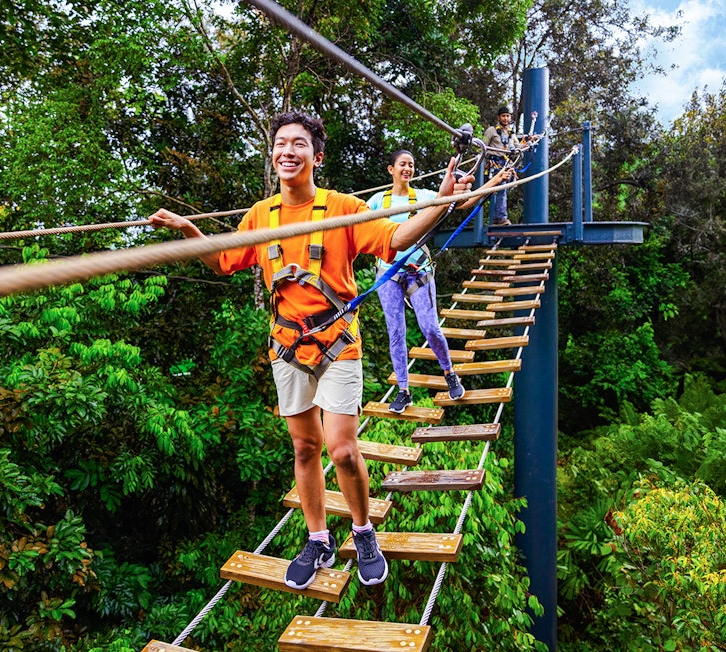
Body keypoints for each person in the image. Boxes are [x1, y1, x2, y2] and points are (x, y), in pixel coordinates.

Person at [149, 112, 474, 591]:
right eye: (281, 144)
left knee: (342, 449)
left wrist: (441, 204)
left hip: (338, 343)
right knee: (305, 447)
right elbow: (222, 260)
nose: (287, 152)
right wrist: (185, 228)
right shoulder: (262, 216)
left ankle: (363, 532)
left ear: (316, 157)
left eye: (298, 144)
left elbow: (394, 241)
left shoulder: (342, 208)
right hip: (287, 346)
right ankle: (318, 537)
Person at [367, 149, 510, 414]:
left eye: (411, 164)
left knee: (430, 327)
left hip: (418, 270)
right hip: (388, 273)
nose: (407, 169)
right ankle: (403, 390)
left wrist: (495, 181)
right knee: (395, 332)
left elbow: (463, 200)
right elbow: (360, 230)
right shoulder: (377, 202)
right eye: (402, 164)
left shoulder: (424, 197)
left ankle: (449, 373)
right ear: (391, 170)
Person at [483, 106, 518, 226]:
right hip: (495, 163)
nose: (506, 118)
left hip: (506, 164)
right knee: (500, 190)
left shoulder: (511, 133)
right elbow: (483, 146)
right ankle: (501, 218)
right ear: (499, 117)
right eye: (503, 116)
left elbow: (518, 147)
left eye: (508, 116)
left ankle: (498, 217)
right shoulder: (491, 130)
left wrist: (530, 142)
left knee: (504, 191)